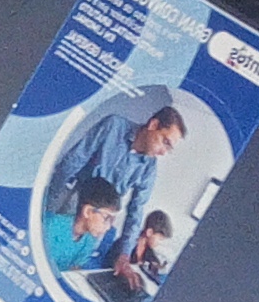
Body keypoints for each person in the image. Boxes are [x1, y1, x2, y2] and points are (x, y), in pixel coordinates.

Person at [55, 99, 186, 261]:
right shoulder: (113, 126)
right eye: (165, 142)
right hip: (76, 203)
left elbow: (137, 210)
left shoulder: (149, 167)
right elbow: (74, 160)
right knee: (53, 247)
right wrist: (47, 199)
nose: (163, 152)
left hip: (104, 220)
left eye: (169, 148)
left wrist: (124, 254)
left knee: (76, 261)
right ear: (153, 125)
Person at [42, 175, 124, 274]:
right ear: (87, 211)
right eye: (107, 218)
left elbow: (74, 269)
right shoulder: (49, 227)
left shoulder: (89, 240)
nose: (108, 227)